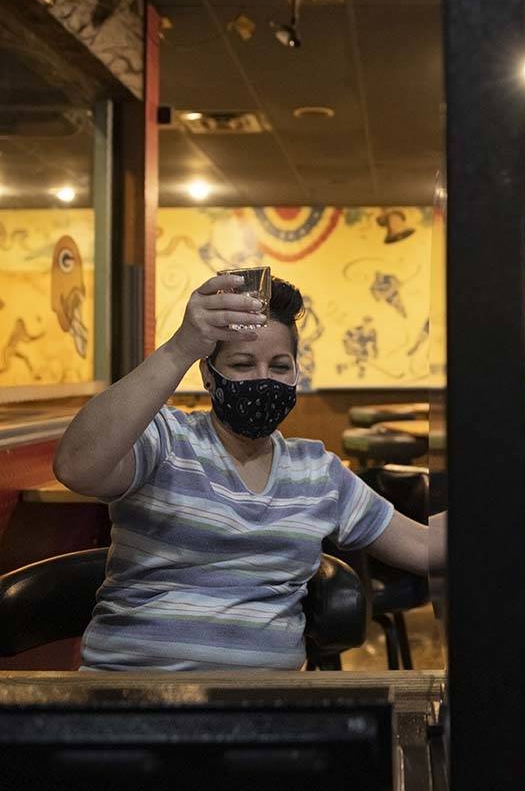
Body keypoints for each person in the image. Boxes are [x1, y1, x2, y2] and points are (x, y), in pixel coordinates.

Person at [54, 273, 431, 670]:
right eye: (243, 363)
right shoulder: (165, 440)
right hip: (132, 701)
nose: (263, 379)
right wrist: (181, 347)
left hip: (264, 714)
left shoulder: (318, 473)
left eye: (280, 366)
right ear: (207, 374)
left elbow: (423, 546)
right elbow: (76, 467)